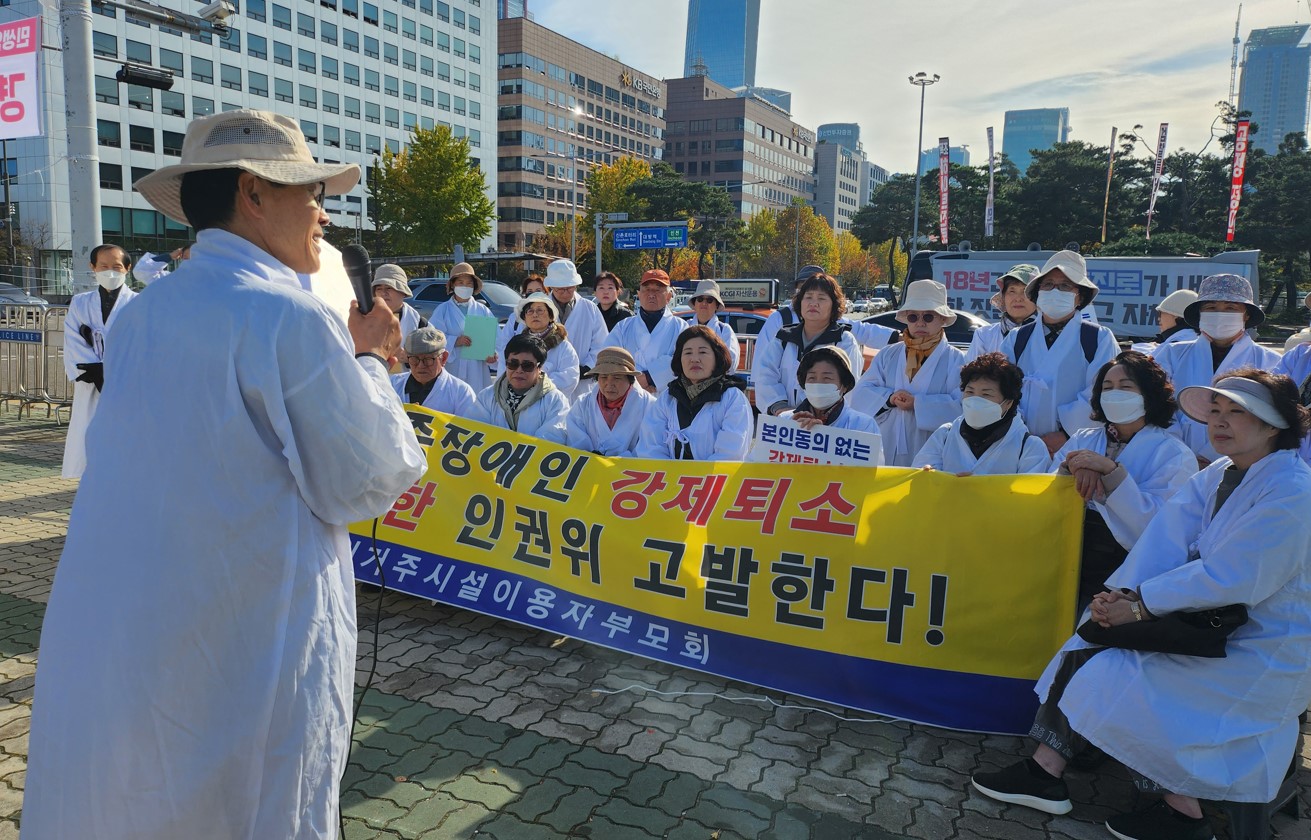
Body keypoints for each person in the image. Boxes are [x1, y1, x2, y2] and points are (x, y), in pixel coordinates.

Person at [25, 109, 427, 840]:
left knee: (134, 793)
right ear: (255, 192)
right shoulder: (288, 318)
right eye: (309, 193)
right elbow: (366, 478)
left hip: (137, 623)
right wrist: (369, 359)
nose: (321, 215)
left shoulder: (146, 315)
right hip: (247, 637)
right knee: (250, 802)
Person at [970, 367, 1311, 840]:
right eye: (1216, 410)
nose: (1221, 421)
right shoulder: (1219, 473)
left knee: (1121, 677)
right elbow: (1166, 541)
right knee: (1090, 640)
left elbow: (1234, 575)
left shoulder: (1292, 490)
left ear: (1275, 424)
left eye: (1239, 412)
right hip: (1202, 617)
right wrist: (1123, 596)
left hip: (1260, 644)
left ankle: (1182, 814)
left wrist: (1143, 603)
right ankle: (1047, 773)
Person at [1050, 351, 1197, 607]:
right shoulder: (1082, 439)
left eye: (1126, 387)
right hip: (1067, 552)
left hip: (1123, 566)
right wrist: (1070, 469)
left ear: (1149, 396)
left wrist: (1110, 472)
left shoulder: (1174, 453)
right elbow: (1047, 491)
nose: (1114, 393)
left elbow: (1160, 526)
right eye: (1107, 387)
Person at [1002, 249, 1120, 456]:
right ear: (1038, 293)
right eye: (1048, 285)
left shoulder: (1098, 338)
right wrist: (1019, 432)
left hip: (1077, 444)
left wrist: (1065, 434)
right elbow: (1000, 387)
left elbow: (1101, 392)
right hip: (1018, 442)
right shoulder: (1016, 338)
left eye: (1065, 286)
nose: (1055, 291)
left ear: (1080, 296)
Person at [1156, 274, 1280, 467]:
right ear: (1200, 314)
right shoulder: (1171, 353)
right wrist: (1181, 455)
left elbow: (1269, 419)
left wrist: (1211, 458)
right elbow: (1156, 404)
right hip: (1171, 460)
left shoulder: (1271, 361)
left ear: (1246, 315)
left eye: (1231, 308)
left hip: (1239, 463)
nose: (1220, 314)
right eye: (1211, 307)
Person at [851, 280, 966, 467]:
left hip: (931, 449)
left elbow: (962, 407)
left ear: (943, 320)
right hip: (885, 443)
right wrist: (889, 399)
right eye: (913, 317)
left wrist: (918, 404)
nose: (920, 323)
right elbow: (861, 393)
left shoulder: (957, 360)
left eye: (928, 317)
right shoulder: (888, 354)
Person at [61, 243, 139, 479]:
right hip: (90, 378)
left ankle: (126, 478)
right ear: (93, 267)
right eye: (103, 266)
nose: (110, 271)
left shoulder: (139, 302)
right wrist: (95, 370)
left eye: (116, 266)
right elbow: (72, 338)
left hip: (128, 381)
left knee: (127, 434)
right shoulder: (80, 302)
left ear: (127, 268)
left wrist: (113, 370)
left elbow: (145, 342)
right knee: (89, 431)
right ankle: (92, 479)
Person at [914, 352, 1049, 476]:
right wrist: (931, 477)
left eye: (986, 394)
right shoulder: (944, 435)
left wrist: (979, 489)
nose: (975, 401)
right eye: (970, 392)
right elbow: (919, 479)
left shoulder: (1029, 447)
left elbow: (1030, 496)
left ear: (1008, 402)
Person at [754, 272, 864, 416]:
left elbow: (849, 387)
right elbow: (765, 375)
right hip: (783, 422)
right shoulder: (783, 338)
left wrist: (816, 415)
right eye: (808, 297)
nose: (813, 303)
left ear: (834, 305)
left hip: (825, 426)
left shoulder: (844, 341)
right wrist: (779, 408)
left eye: (822, 298)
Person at [636, 325, 752, 461]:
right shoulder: (668, 397)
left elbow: (730, 455)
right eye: (688, 353)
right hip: (668, 479)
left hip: (715, 481)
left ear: (717, 357)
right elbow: (650, 447)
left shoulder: (732, 399)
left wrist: (697, 479)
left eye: (702, 352)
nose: (694, 359)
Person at [758, 264, 898, 356]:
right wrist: (778, 402)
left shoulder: (837, 326)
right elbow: (763, 366)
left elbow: (863, 331)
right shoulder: (779, 319)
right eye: (807, 292)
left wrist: (899, 338)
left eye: (821, 296)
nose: (813, 302)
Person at [474, 333, 569, 443]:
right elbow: (474, 432)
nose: (519, 370)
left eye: (527, 365)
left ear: (540, 367)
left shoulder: (555, 401)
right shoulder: (487, 396)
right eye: (513, 364)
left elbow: (550, 442)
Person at [604, 268, 688, 394]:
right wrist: (634, 381)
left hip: (668, 398)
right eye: (647, 289)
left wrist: (649, 378)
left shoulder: (681, 327)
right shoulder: (623, 327)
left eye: (658, 290)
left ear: (669, 296)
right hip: (629, 395)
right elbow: (608, 357)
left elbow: (685, 359)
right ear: (639, 294)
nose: (651, 294)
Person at [565, 346, 654, 456]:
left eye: (617, 378)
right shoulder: (583, 404)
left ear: (630, 380)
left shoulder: (649, 406)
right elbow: (575, 440)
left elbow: (649, 446)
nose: (609, 383)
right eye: (603, 377)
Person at [787, 346, 882, 446]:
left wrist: (824, 436)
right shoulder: (785, 419)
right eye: (812, 378)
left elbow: (872, 460)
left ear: (844, 386)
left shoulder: (863, 425)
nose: (818, 384)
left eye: (827, 378)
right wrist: (793, 430)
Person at [496, 292, 580, 400]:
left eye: (540, 310)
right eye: (530, 311)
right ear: (524, 318)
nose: (535, 314)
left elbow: (570, 377)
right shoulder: (516, 345)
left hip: (550, 404)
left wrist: (536, 384)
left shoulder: (563, 346)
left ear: (550, 317)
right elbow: (503, 373)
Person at [430, 261, 497, 393]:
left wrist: (493, 355)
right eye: (461, 282)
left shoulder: (483, 310)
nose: (465, 286)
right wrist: (454, 341)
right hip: (452, 366)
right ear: (453, 285)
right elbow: (433, 337)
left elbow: (496, 338)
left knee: (476, 399)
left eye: (469, 283)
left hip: (476, 368)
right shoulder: (442, 310)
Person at [390, 325, 477, 418]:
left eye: (428, 359)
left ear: (443, 358)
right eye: (414, 359)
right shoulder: (392, 384)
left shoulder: (461, 392)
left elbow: (469, 427)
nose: (421, 366)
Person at [544, 258, 608, 376]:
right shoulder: (539, 308)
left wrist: (588, 366)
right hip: (548, 376)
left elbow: (601, 342)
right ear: (551, 287)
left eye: (569, 288)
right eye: (560, 289)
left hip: (583, 379)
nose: (565, 292)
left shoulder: (590, 308)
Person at [965, 264, 1038, 360]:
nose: (1018, 299)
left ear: (1037, 297)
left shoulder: (1048, 333)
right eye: (1012, 291)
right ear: (1003, 297)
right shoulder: (984, 335)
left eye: (1025, 291)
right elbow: (971, 372)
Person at [687, 279, 740, 369]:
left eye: (709, 300)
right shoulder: (684, 326)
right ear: (694, 303)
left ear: (717, 305)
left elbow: (731, 362)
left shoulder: (725, 330)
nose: (704, 303)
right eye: (700, 299)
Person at [1129, 288, 1198, 356]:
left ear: (1175, 315)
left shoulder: (1172, 347)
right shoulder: (1197, 341)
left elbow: (1150, 362)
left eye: (1160, 313)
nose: (1159, 318)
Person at [371, 263, 428, 342]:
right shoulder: (363, 320)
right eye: (379, 289)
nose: (383, 293)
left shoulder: (420, 324)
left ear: (403, 292)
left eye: (389, 288)